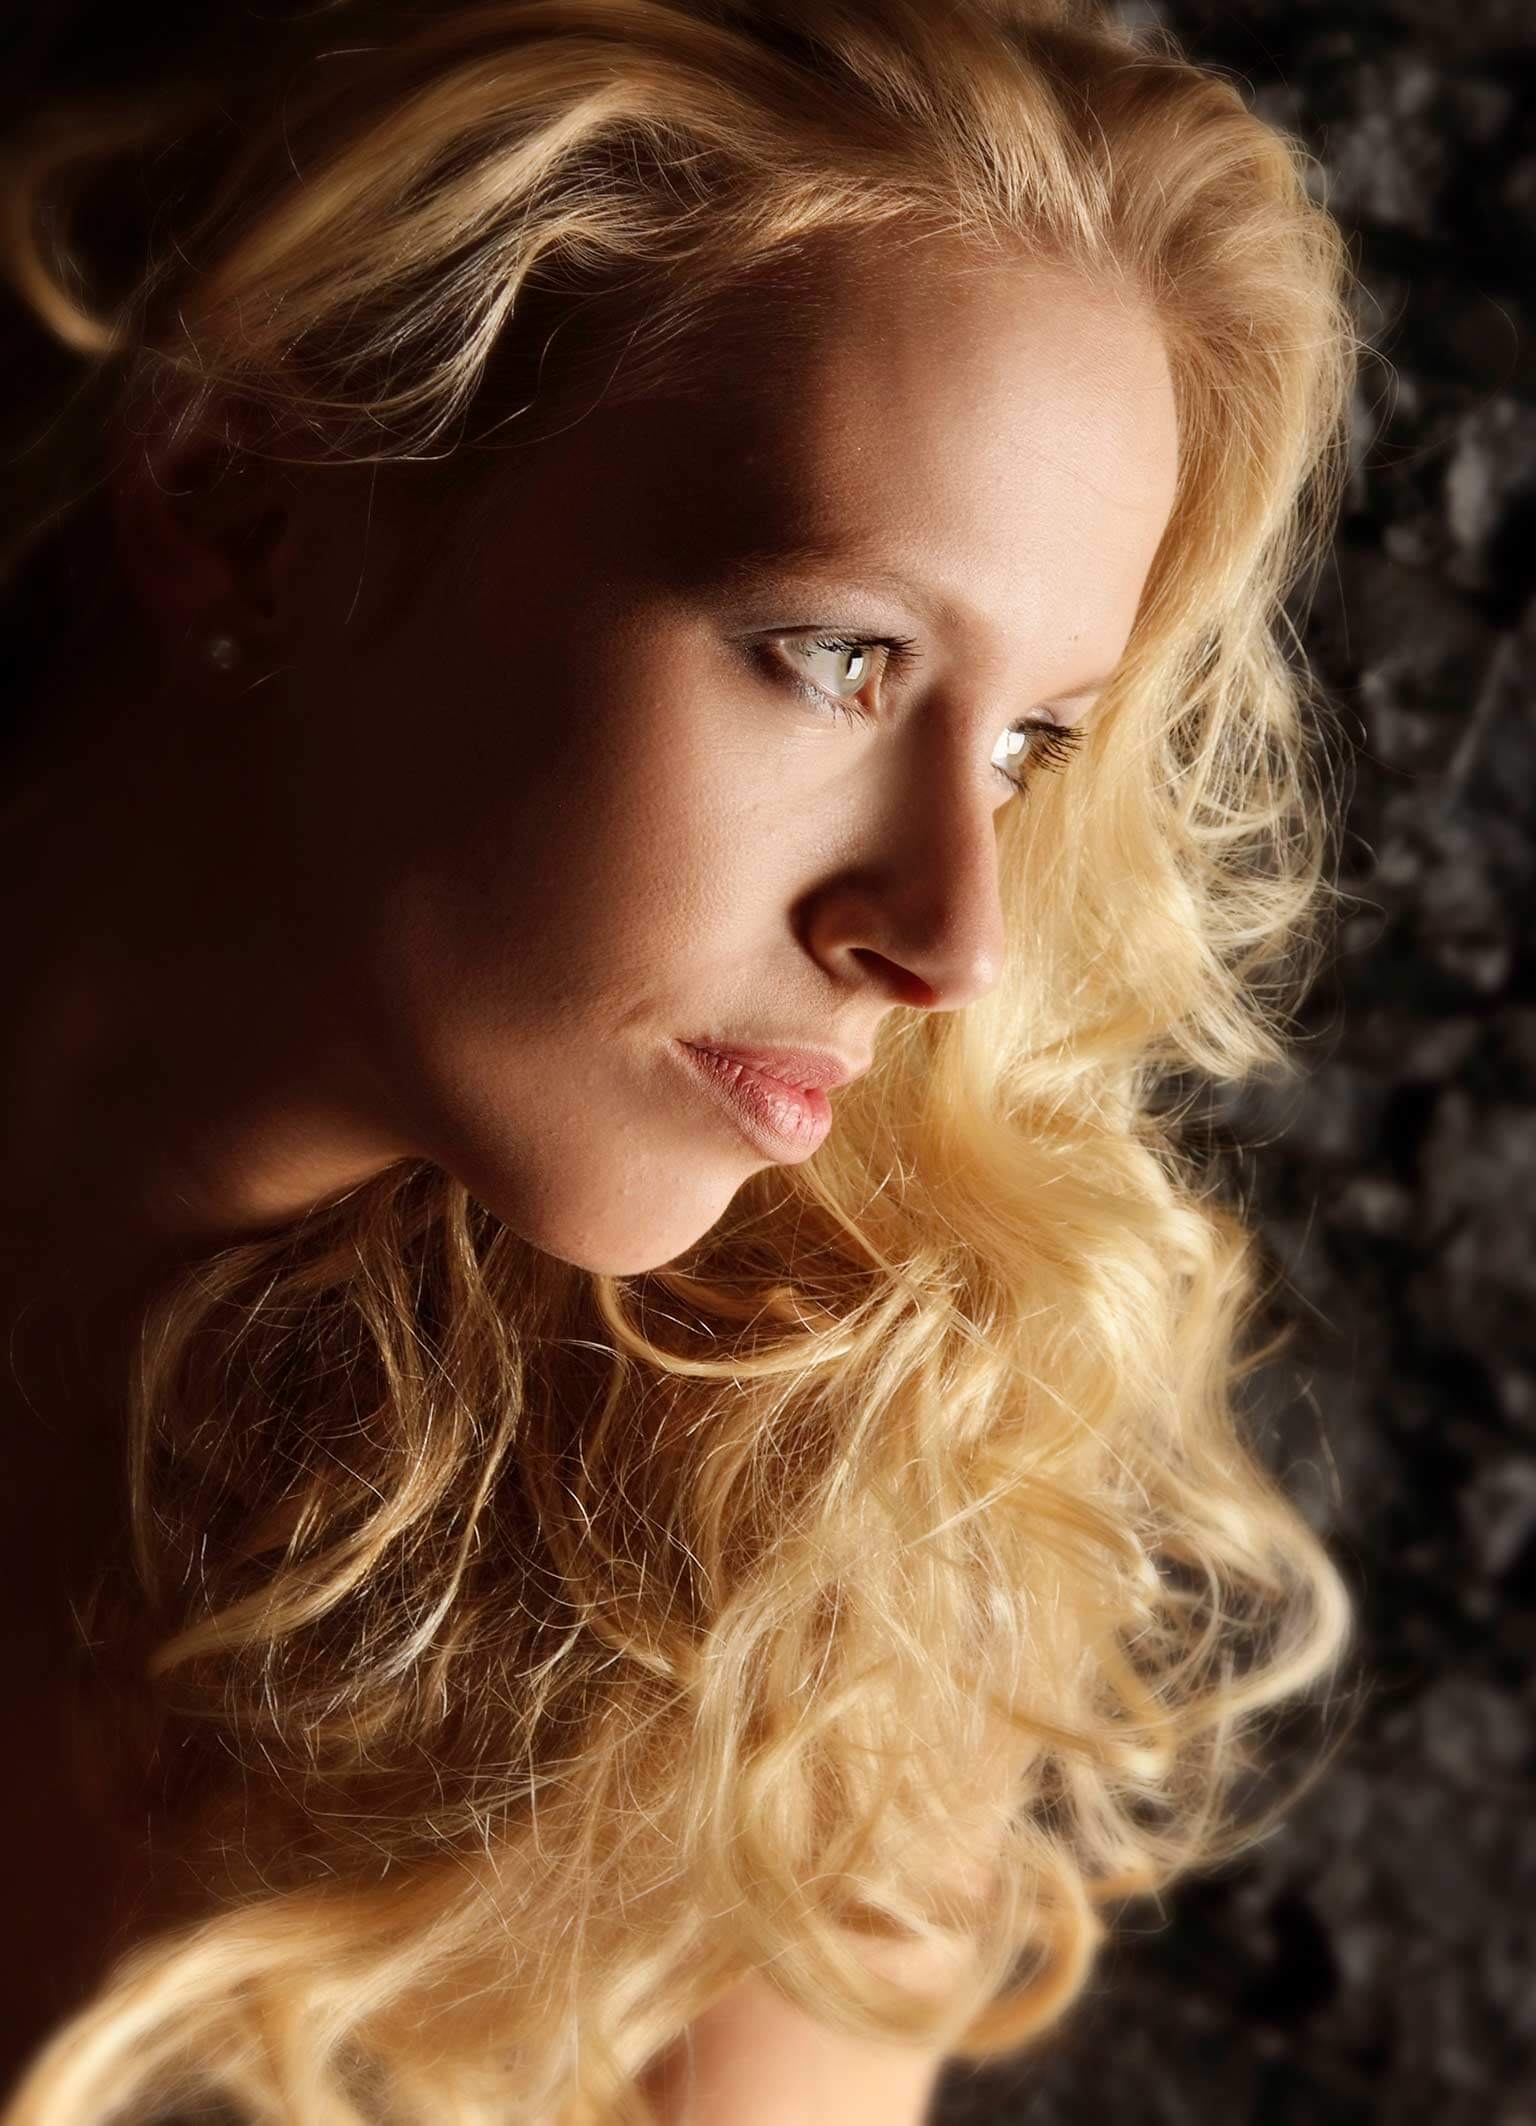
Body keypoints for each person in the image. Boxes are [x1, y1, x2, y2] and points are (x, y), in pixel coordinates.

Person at [0, 0, 1359, 2119]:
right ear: (249, 492)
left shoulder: (793, 1625)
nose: (950, 937)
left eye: (1028, 746)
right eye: (837, 656)